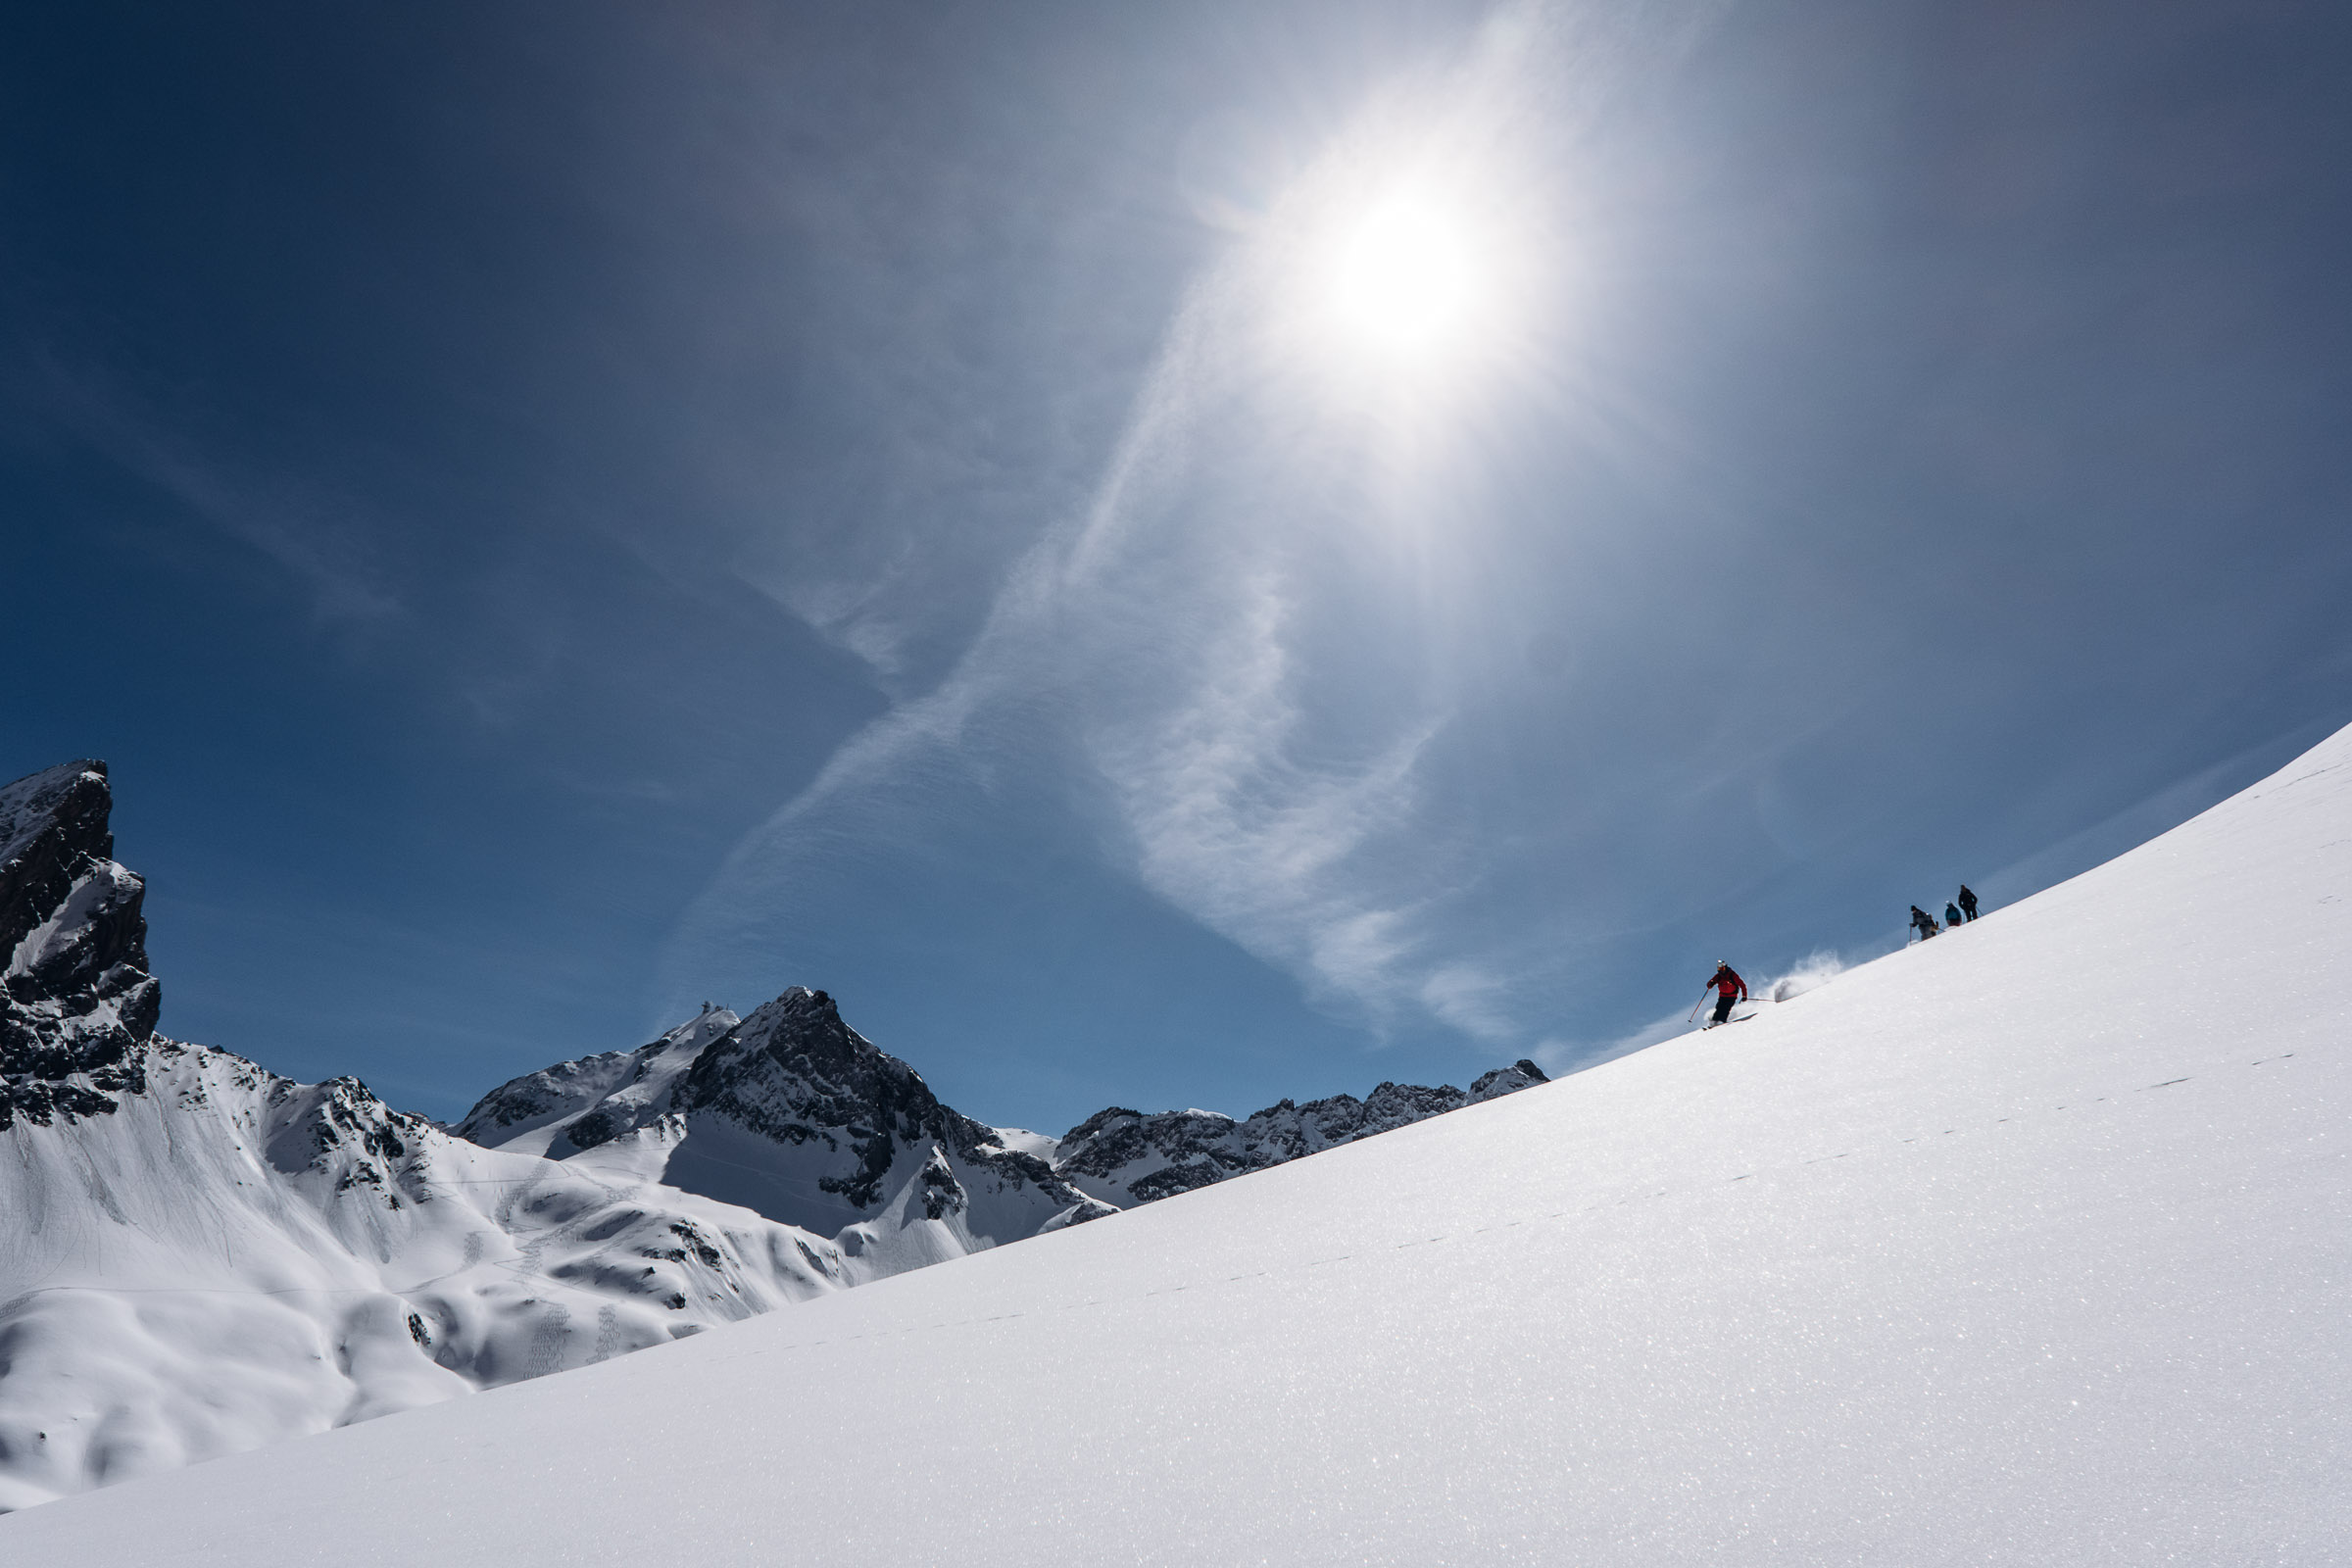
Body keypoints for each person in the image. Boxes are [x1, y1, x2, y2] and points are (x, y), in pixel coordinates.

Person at [1702, 960, 1748, 1026]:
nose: (1721, 971)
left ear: (1726, 968)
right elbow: (1709, 984)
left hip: (1732, 996)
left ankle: (1722, 1021)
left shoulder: (1732, 975)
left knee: (1726, 1008)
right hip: (1722, 996)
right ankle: (1714, 1021)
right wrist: (1711, 984)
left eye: (1723, 969)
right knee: (1719, 1007)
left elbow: (1742, 985)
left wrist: (1744, 996)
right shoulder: (1718, 976)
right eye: (1719, 969)